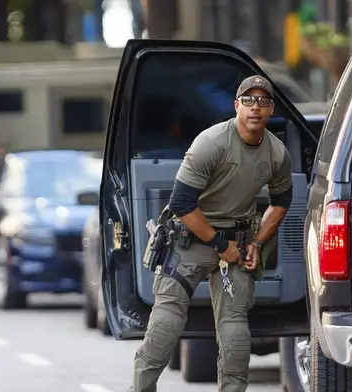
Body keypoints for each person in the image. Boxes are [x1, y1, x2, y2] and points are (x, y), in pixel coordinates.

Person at [131, 75, 293, 392]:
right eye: (248, 100)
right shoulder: (212, 142)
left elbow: (281, 201)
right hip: (192, 235)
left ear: (271, 109)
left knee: (235, 325)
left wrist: (257, 243)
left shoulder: (277, 153)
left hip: (239, 240)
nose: (255, 107)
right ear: (236, 106)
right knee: (168, 314)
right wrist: (220, 245)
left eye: (262, 101)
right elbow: (180, 202)